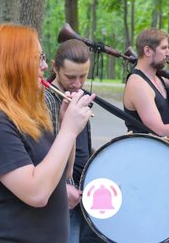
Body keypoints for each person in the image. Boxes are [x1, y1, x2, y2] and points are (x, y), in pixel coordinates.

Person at [0, 24, 95, 243]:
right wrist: (68, 130)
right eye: (38, 58)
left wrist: (69, 129)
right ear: (14, 64)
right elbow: (36, 193)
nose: (45, 66)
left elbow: (64, 173)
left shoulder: (28, 115)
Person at [44, 39, 104, 243]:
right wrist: (62, 187)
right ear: (54, 67)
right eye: (71, 77)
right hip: (59, 196)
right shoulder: (45, 100)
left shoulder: (77, 96)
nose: (78, 83)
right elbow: (43, 153)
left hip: (79, 191)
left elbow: (82, 147)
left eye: (83, 76)